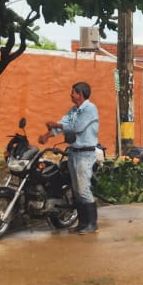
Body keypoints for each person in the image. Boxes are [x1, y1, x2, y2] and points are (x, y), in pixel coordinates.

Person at [40, 81, 100, 234]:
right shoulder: (73, 110)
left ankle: (92, 224)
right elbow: (63, 123)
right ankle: (82, 223)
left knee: (83, 188)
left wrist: (57, 125)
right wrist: (47, 135)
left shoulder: (90, 109)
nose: (71, 94)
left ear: (81, 94)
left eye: (73, 92)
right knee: (76, 189)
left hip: (85, 154)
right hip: (74, 152)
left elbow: (77, 127)